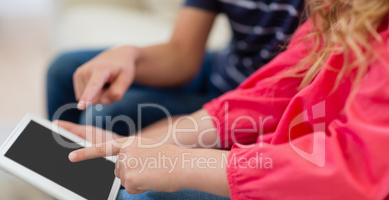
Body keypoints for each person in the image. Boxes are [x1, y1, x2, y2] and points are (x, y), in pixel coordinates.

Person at [31, 0, 389, 200]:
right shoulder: (341, 10)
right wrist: (146, 144)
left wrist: (185, 165)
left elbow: (351, 169)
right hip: (299, 183)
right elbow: (273, 92)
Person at [47, 0, 304, 135]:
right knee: (66, 70)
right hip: (221, 68)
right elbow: (182, 56)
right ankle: (64, 189)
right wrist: (130, 54)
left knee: (109, 116)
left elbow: (292, 93)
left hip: (257, 100)